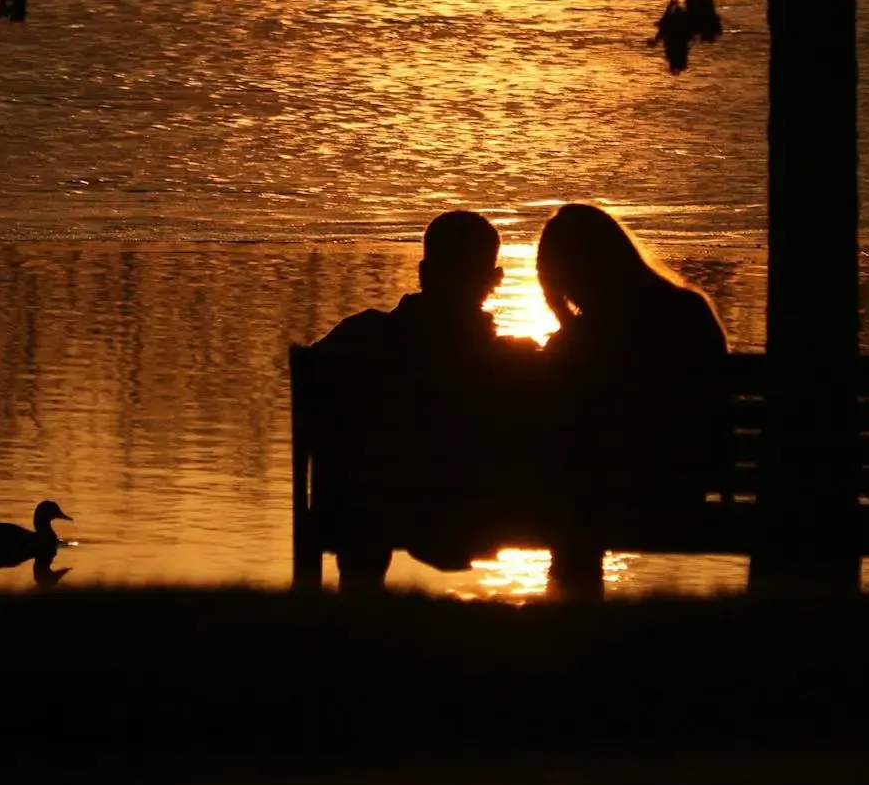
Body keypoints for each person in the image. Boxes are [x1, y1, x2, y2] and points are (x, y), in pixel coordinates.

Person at [312, 210, 539, 584]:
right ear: (493, 280)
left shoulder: (359, 339)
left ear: (423, 273)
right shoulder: (516, 361)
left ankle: (356, 604)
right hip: (481, 515)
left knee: (366, 479)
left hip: (367, 512)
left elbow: (318, 403)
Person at [534, 204, 730, 576]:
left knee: (573, 483)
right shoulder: (687, 308)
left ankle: (568, 612)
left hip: (616, 491)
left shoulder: (589, 337)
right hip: (685, 484)